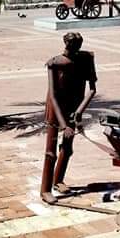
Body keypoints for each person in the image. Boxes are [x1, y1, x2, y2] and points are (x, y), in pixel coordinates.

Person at [41, 31, 97, 204]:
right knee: (50, 152)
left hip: (74, 107)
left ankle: (58, 180)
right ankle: (45, 189)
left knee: (67, 148)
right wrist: (64, 125)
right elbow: (53, 95)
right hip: (55, 109)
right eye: (70, 47)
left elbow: (92, 89)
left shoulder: (86, 59)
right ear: (65, 44)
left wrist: (80, 110)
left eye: (76, 47)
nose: (72, 50)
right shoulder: (54, 63)